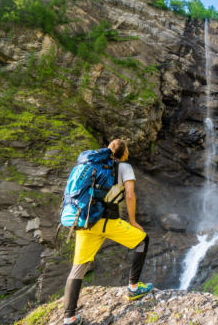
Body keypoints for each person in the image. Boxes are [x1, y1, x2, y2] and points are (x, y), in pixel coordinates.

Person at [62, 139, 153, 325]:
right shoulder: (124, 167)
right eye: (127, 149)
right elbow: (129, 194)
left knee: (78, 268)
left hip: (84, 221)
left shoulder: (89, 165)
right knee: (142, 240)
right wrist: (133, 221)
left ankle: (69, 317)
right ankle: (133, 289)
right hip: (106, 221)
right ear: (123, 152)